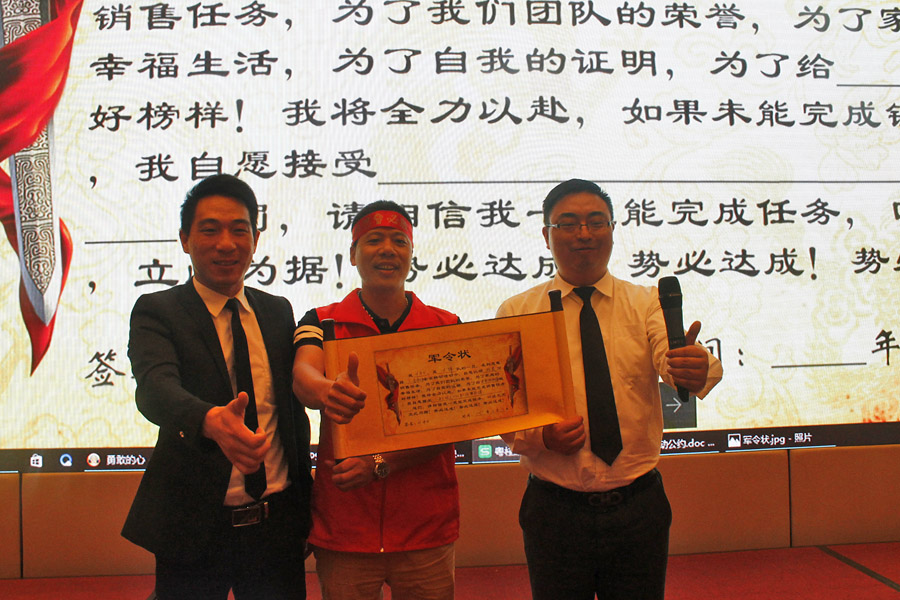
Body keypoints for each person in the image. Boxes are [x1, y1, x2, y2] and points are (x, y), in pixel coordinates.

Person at [497, 179, 723, 600]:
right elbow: (506, 413)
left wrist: (695, 368)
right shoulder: (517, 312)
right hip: (554, 510)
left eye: (596, 222)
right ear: (546, 235)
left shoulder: (646, 302)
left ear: (613, 230)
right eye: (568, 223)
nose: (584, 233)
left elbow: (672, 355)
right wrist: (542, 437)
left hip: (639, 506)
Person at [122, 174, 313, 600]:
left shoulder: (277, 311)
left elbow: (290, 415)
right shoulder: (158, 310)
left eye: (239, 230)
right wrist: (209, 420)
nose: (226, 244)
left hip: (277, 526)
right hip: (193, 526)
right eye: (209, 230)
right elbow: (155, 387)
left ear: (255, 239)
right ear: (185, 239)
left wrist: (306, 510)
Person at [292, 200, 459, 600]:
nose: (388, 249)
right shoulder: (322, 320)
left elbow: (458, 423)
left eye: (399, 241)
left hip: (425, 526)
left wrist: (380, 464)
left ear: (411, 255)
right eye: (374, 240)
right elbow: (303, 375)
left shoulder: (446, 326)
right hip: (345, 526)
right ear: (352, 254)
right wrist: (326, 391)